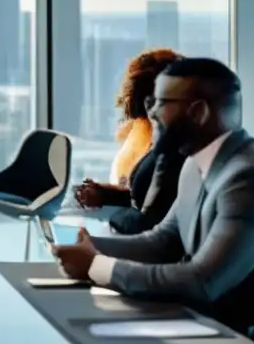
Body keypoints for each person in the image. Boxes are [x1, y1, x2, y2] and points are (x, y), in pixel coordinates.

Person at [54, 58, 254, 333]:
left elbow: (202, 282)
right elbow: (162, 242)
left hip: (248, 341)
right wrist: (90, 245)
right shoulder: (194, 163)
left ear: (198, 112)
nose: (151, 113)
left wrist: (97, 265)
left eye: (161, 103)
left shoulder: (252, 178)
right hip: (202, 324)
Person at [73, 49, 184, 234]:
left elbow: (152, 217)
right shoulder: (157, 144)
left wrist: (111, 225)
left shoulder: (176, 151)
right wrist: (105, 194)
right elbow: (146, 197)